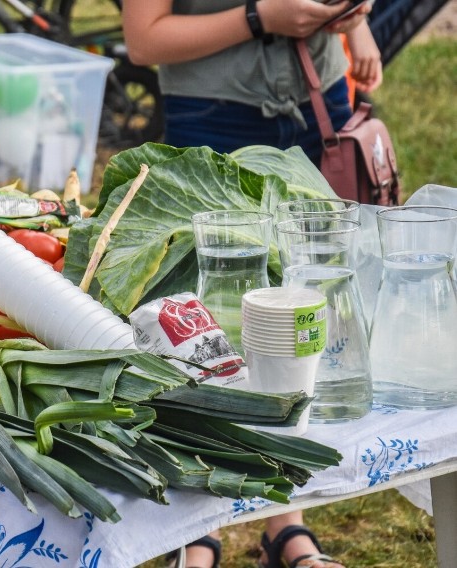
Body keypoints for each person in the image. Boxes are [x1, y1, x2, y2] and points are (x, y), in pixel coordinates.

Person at [120, 1, 383, 567]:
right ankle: (198, 537)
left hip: (320, 94)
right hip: (215, 111)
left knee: (300, 312)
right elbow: (143, 40)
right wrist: (261, 19)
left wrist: (354, 19)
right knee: (209, 332)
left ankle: (286, 530)